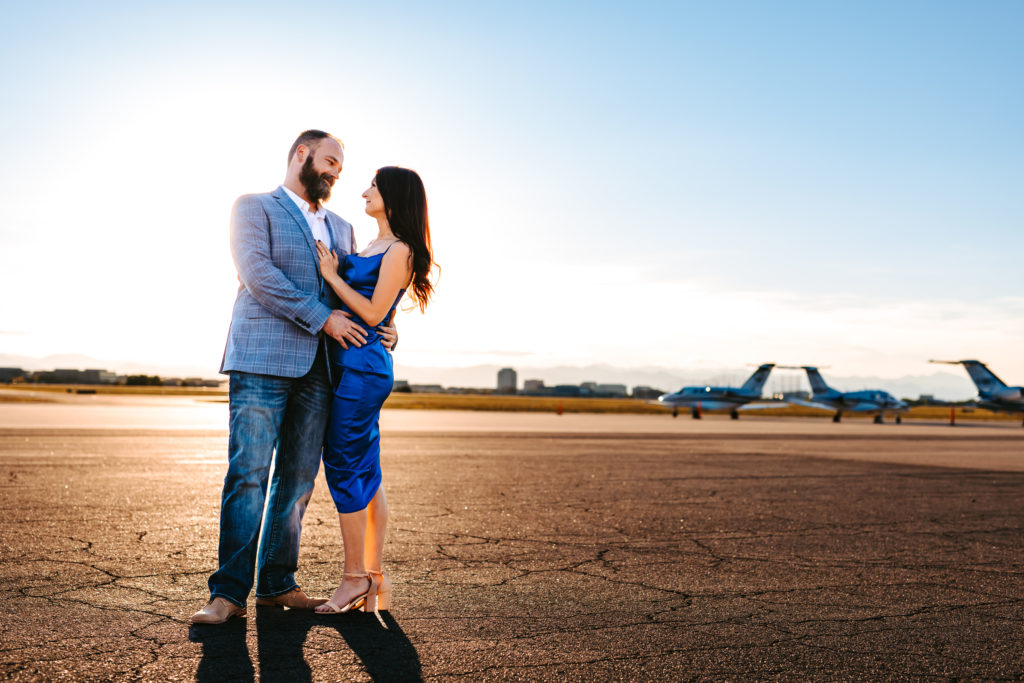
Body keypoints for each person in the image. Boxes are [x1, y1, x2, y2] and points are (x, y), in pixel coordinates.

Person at [191, 130, 396, 625]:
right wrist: (322, 317)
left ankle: (277, 584)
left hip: (324, 369)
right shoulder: (253, 206)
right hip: (262, 358)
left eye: (340, 169)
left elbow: (359, 289)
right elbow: (257, 273)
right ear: (301, 154)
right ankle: (228, 595)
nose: (334, 173)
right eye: (329, 161)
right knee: (248, 477)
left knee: (299, 480)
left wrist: (386, 325)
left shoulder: (345, 228)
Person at [312, 166, 434, 617]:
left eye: (374, 187)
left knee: (344, 465)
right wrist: (391, 321)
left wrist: (331, 276)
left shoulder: (400, 249)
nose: (364, 192)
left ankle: (354, 578)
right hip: (352, 364)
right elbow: (384, 309)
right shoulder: (375, 245)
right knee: (366, 470)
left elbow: (371, 309)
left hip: (362, 368)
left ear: (394, 196)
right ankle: (375, 576)